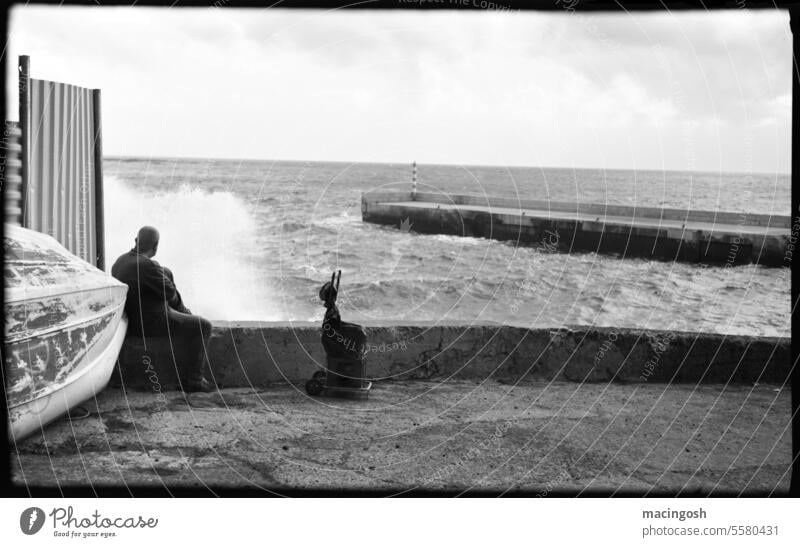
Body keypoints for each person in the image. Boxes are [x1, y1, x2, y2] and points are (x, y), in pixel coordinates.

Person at [111, 226, 215, 392]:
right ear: (156, 246)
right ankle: (194, 379)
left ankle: (184, 313)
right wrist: (158, 271)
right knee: (204, 326)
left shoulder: (120, 261)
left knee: (166, 272)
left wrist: (160, 272)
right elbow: (170, 292)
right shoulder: (147, 266)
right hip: (151, 323)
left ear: (136, 241)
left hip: (132, 319)